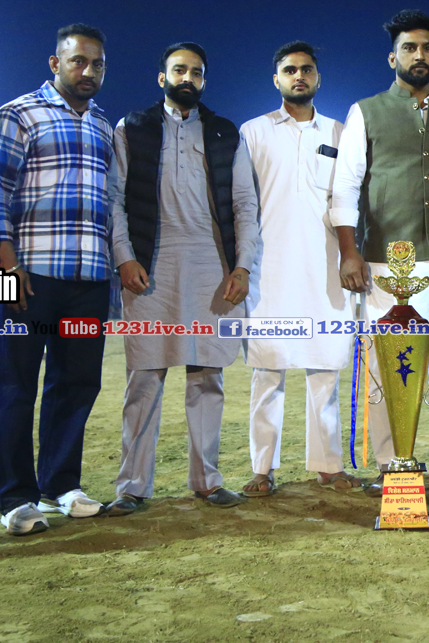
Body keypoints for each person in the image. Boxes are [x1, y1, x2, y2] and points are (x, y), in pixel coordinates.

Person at [104, 42, 259, 515]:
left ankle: (207, 481)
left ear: (204, 80)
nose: (187, 78)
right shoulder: (132, 128)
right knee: (144, 378)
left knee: (207, 377)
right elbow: (114, 199)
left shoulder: (225, 132)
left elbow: (245, 204)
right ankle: (132, 487)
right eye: (179, 70)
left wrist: (242, 266)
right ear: (162, 77)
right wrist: (124, 257)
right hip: (151, 266)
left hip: (212, 266)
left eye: (196, 72)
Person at [331, 10, 429, 494]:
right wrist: (349, 252)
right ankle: (391, 464)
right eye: (410, 48)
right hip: (383, 261)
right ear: (392, 58)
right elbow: (345, 186)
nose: (420, 55)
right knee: (386, 365)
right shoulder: (366, 111)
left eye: (427, 48)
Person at [0, 23, 115, 534]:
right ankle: (15, 497)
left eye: (97, 63)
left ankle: (61, 484)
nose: (88, 70)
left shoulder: (104, 126)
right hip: (28, 274)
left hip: (88, 278)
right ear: (55, 63)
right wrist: (7, 265)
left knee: (76, 383)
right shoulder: (18, 114)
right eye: (78, 60)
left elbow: (110, 202)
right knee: (16, 385)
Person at [239, 41, 359, 496]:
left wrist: (350, 254)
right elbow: (242, 202)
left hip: (325, 266)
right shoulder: (254, 132)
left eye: (307, 69)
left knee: (325, 368)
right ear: (276, 79)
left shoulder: (339, 131)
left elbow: (348, 197)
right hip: (269, 269)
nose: (299, 76)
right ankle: (261, 469)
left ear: (318, 77)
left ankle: (329, 466)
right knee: (267, 371)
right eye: (290, 70)